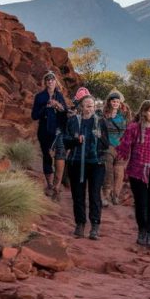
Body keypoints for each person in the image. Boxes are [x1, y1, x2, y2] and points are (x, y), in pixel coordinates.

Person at [116, 100, 150, 247]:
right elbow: (124, 146)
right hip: (137, 171)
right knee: (141, 204)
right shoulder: (134, 128)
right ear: (144, 112)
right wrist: (121, 152)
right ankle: (142, 231)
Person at [63, 95, 109, 240]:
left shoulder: (101, 122)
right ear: (81, 107)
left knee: (95, 195)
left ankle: (95, 226)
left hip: (96, 163)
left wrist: (99, 137)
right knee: (78, 195)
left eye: (93, 105)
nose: (91, 108)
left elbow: (107, 143)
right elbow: (65, 141)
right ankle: (80, 224)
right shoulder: (73, 121)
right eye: (88, 105)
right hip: (76, 162)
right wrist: (76, 140)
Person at [30, 71, 67, 198]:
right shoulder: (40, 96)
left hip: (59, 131)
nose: (50, 81)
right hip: (44, 130)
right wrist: (46, 106)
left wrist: (58, 106)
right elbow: (34, 116)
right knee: (47, 156)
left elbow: (65, 113)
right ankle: (50, 185)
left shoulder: (59, 96)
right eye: (48, 80)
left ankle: (57, 186)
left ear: (56, 82)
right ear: (45, 82)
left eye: (52, 79)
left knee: (60, 155)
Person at [101, 89, 131, 206]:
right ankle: (105, 196)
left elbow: (128, 132)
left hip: (121, 148)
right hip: (108, 147)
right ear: (109, 102)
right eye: (113, 101)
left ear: (120, 103)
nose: (115, 103)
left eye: (117, 102)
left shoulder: (124, 117)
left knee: (119, 173)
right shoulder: (104, 115)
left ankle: (115, 195)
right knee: (108, 172)